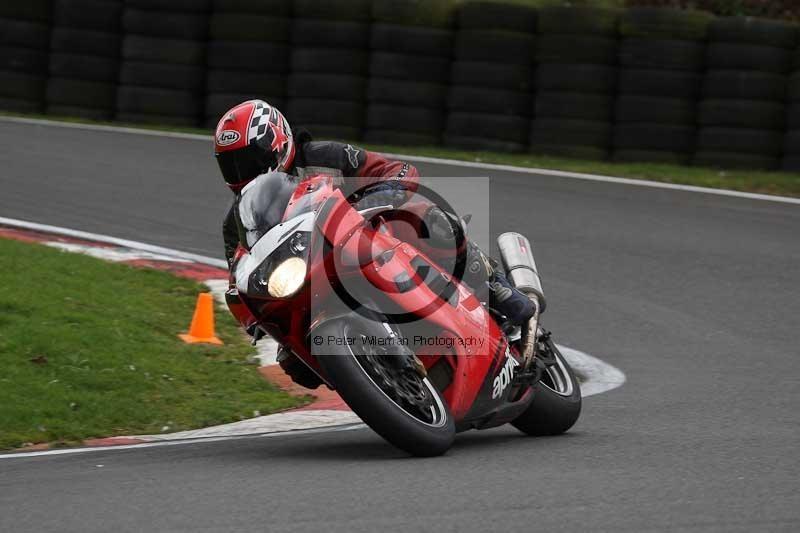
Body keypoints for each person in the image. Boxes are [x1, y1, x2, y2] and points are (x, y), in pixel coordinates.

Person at [215, 100, 534, 385]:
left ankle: (497, 288)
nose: (245, 172)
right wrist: (250, 315)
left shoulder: (324, 156)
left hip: (366, 240)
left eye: (250, 160)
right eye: (232, 165)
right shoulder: (239, 219)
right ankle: (376, 380)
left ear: (277, 142)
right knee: (291, 361)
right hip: (309, 278)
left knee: (423, 216)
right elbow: (238, 274)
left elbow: (397, 170)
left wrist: (385, 192)